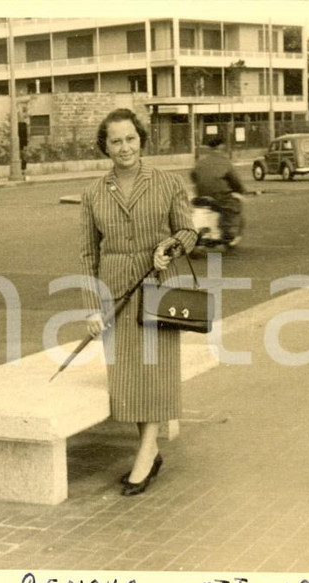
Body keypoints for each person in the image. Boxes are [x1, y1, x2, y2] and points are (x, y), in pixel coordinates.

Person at [79, 108, 197, 496]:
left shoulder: (167, 182)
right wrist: (92, 306)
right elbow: (86, 254)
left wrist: (168, 246)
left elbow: (188, 231)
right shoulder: (94, 193)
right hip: (115, 293)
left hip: (158, 287)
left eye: (130, 138)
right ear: (105, 147)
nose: (124, 147)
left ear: (141, 140)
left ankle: (145, 456)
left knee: (155, 372)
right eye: (116, 141)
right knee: (128, 379)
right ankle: (151, 449)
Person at [191, 136, 246, 246]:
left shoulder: (201, 162)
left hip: (202, 197)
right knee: (234, 207)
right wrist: (240, 190)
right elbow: (234, 180)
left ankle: (210, 236)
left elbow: (193, 175)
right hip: (220, 197)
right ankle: (227, 235)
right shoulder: (224, 162)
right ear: (221, 148)